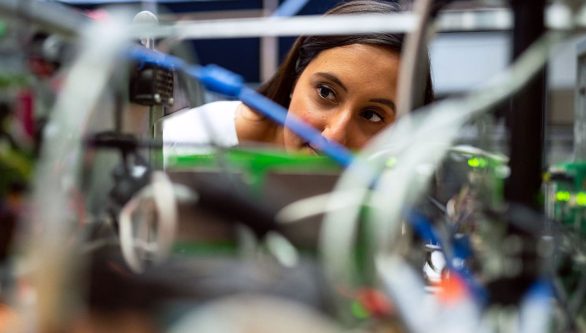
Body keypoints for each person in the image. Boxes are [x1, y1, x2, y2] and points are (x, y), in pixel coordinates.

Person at [163, 0, 434, 157]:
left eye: (372, 115)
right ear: (295, 78)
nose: (334, 136)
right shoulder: (182, 145)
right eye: (326, 93)